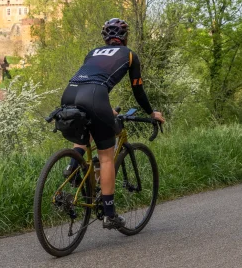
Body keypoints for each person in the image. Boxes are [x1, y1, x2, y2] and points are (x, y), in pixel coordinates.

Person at [59, 18, 165, 229]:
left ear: (105, 38)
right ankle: (109, 214)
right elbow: (138, 90)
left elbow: (89, 83)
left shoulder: (92, 52)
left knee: (84, 134)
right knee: (107, 157)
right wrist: (151, 112)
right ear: (125, 37)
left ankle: (72, 166)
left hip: (69, 93)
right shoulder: (130, 55)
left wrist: (109, 111)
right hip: (95, 96)